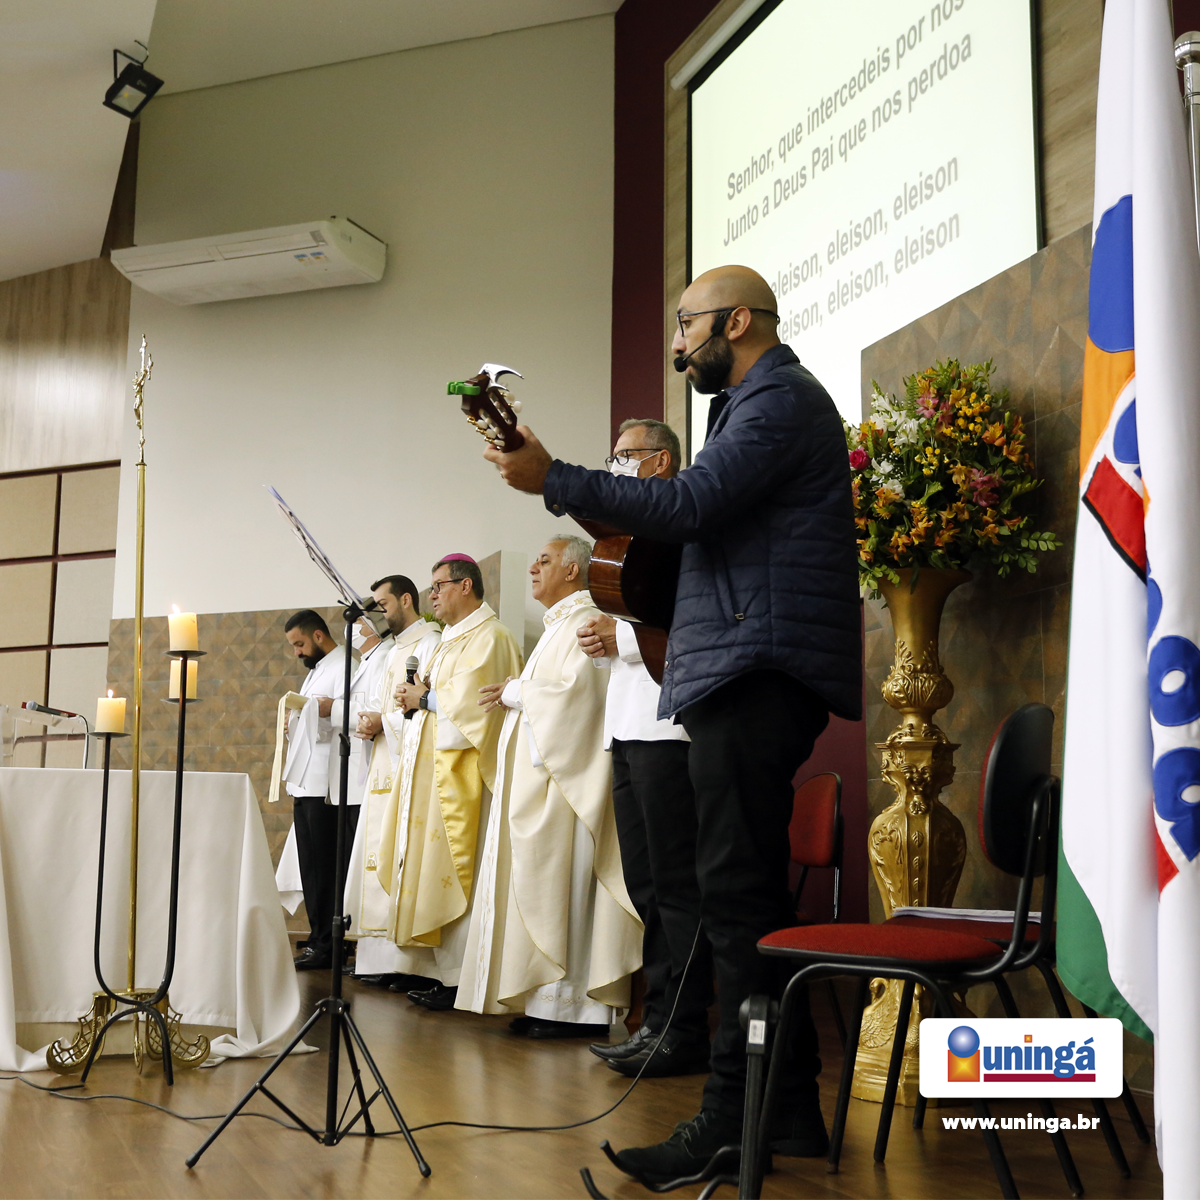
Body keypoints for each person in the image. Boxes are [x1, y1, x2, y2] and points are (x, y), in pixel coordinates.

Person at [482, 264, 862, 1179]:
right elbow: (688, 530)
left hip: (757, 669)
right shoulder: (750, 407)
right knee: (746, 897)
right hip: (747, 665)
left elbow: (688, 506)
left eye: (687, 325)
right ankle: (789, 1110)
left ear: (737, 322)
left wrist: (554, 479)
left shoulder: (779, 399)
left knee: (734, 900)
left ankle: (731, 1115)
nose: (677, 343)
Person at [458, 537, 642, 1038]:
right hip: (545, 780)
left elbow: (577, 698)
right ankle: (543, 1002)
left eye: (545, 561)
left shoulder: (586, 619)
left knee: (567, 887)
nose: (534, 568)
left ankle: (573, 1009)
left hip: (568, 785)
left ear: (572, 570)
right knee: (543, 888)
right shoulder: (557, 625)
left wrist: (516, 690)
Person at [577, 418, 713, 1078]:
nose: (616, 467)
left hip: (670, 728)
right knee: (646, 884)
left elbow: (694, 616)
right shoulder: (626, 538)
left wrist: (621, 639)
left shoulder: (682, 526)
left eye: (625, 457)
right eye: (612, 458)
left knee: (677, 886)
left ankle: (683, 1028)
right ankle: (657, 1020)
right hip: (628, 727)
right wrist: (604, 645)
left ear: (661, 462)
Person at [374, 555, 523, 1010]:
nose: (432, 595)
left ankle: (460, 978)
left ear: (465, 586)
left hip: (464, 779)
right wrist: (418, 699)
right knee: (433, 871)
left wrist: (425, 698)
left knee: (460, 872)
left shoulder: (491, 636)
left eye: (439, 586)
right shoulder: (451, 639)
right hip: (432, 774)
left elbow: (477, 708)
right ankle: (441, 973)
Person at [344, 575, 440, 980]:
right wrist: (369, 721)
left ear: (406, 599)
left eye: (384, 604)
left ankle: (404, 964)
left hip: (408, 763)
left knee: (401, 855)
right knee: (377, 852)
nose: (380, 613)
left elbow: (426, 708)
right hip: (383, 760)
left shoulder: (430, 643)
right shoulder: (393, 650)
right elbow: (379, 704)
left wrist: (385, 722)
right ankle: (377, 961)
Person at [281, 609, 350, 972]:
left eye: (300, 644)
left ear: (319, 636)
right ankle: (318, 934)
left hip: (326, 779)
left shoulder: (346, 667)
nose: (297, 652)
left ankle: (328, 943)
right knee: (310, 864)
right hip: (305, 780)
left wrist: (311, 718)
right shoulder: (317, 670)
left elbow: (344, 719)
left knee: (324, 866)